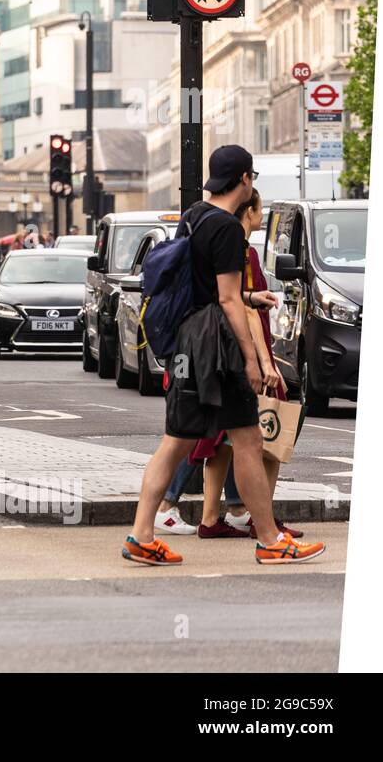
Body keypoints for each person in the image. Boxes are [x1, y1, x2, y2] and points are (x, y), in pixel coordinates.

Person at [122, 146, 325, 566]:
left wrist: (252, 294)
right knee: (248, 439)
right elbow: (230, 303)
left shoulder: (194, 215)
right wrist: (252, 361)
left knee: (176, 440)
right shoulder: (230, 229)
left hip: (187, 340)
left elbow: (207, 288)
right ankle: (271, 540)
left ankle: (141, 534)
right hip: (216, 346)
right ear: (246, 180)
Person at [191, 188, 304, 540]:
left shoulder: (206, 233)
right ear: (249, 212)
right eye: (259, 211)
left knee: (216, 442)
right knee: (267, 437)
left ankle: (213, 517)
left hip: (215, 353)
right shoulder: (240, 250)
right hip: (241, 356)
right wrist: (263, 363)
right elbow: (247, 312)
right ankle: (263, 523)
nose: (261, 218)